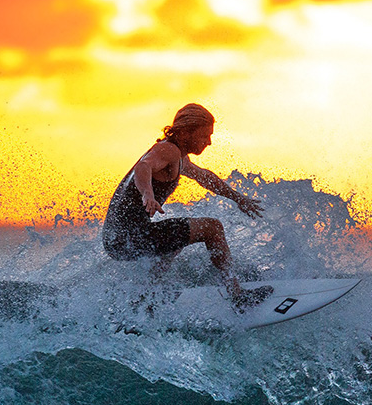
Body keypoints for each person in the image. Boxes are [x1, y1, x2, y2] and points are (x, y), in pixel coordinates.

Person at [102, 103, 273, 310]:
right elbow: (143, 166)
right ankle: (237, 295)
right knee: (213, 228)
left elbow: (205, 177)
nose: (208, 142)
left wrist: (238, 198)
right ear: (185, 132)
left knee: (179, 238)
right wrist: (148, 193)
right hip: (128, 237)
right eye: (204, 136)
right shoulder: (168, 150)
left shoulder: (179, 156)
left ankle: (143, 301)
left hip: (117, 239)